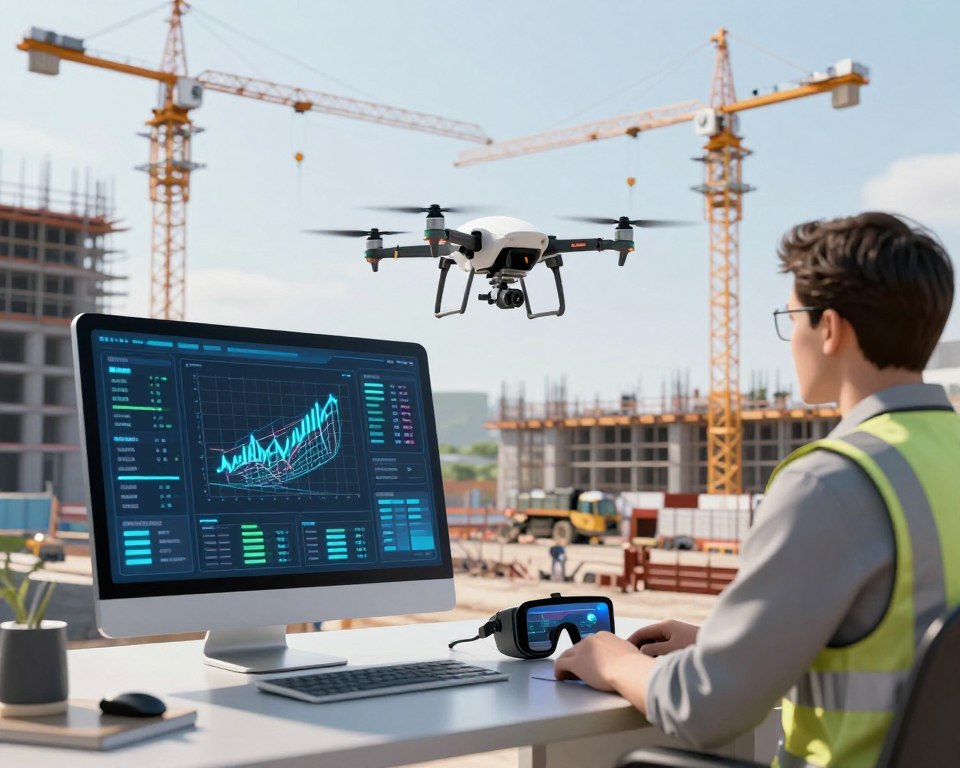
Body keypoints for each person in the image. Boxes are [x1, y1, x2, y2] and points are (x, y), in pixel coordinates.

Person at [555, 212, 960, 767]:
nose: (791, 336)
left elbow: (703, 709)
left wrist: (613, 659)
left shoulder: (834, 480)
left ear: (830, 328)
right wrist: (731, 646)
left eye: (791, 316)